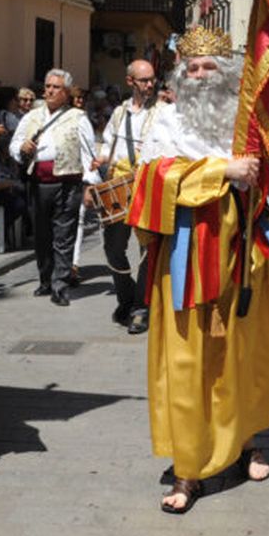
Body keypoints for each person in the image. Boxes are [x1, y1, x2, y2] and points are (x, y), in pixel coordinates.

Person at [130, 26, 269, 513]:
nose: (200, 75)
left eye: (209, 68)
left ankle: (245, 440)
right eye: (192, 68)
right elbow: (150, 180)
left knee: (245, 353)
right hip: (183, 259)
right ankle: (188, 466)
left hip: (246, 256)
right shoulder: (166, 121)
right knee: (185, 361)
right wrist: (222, 171)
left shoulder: (249, 122)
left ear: (227, 75)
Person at [96, 60, 180, 334]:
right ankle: (126, 296)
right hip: (119, 183)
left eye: (152, 79)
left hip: (148, 183)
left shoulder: (166, 112)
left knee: (147, 249)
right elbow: (108, 144)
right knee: (112, 248)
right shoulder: (119, 113)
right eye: (144, 80)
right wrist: (101, 159)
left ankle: (141, 308)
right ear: (130, 81)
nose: (150, 84)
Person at [9, 69, 95, 305]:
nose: (49, 91)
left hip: (68, 182)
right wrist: (21, 149)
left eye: (56, 87)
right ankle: (45, 279)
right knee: (42, 234)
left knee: (64, 235)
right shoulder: (32, 117)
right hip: (38, 183)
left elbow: (89, 154)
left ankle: (60, 285)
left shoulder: (78, 117)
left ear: (66, 92)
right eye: (47, 86)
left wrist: (89, 184)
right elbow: (14, 145)